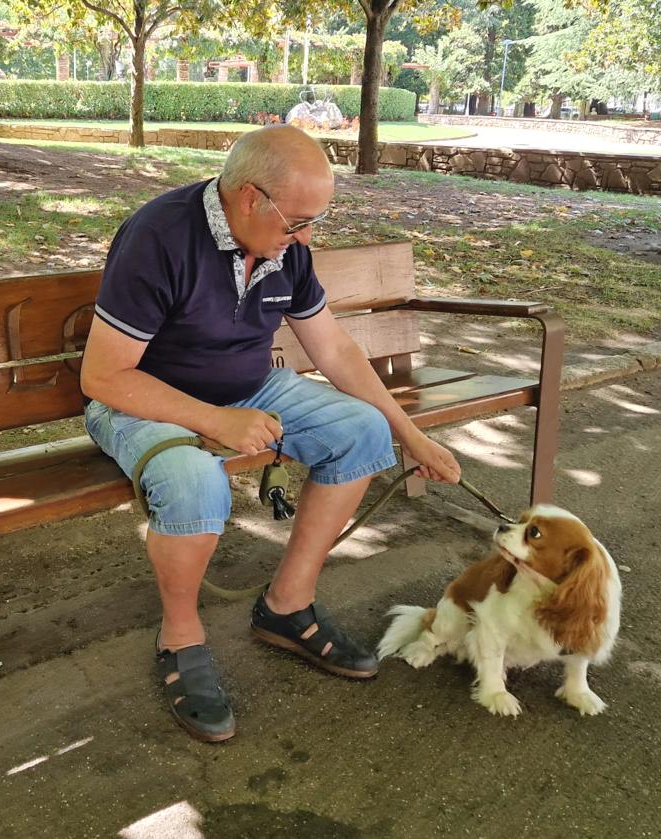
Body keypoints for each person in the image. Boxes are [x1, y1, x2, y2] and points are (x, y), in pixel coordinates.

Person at [79, 124, 461, 742]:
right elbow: (103, 376)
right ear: (251, 198)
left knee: (362, 431)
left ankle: (286, 607)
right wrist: (215, 420)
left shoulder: (287, 247)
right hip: (140, 401)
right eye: (298, 222)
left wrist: (411, 436)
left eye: (316, 221)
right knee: (196, 482)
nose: (307, 238)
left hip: (249, 389)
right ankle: (180, 635)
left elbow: (333, 348)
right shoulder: (159, 236)